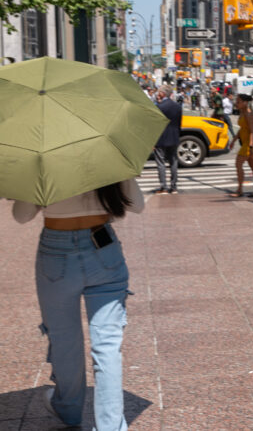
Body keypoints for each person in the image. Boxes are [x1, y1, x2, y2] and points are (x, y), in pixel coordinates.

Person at [12, 179, 144, 430]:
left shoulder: (44, 161)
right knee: (107, 346)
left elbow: (22, 215)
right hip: (104, 247)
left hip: (57, 250)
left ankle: (69, 408)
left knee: (65, 339)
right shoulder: (107, 154)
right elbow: (137, 205)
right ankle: (111, 426)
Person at [228, 93, 253, 198]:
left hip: (250, 142)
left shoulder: (248, 114)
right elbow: (242, 129)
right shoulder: (242, 113)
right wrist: (234, 140)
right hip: (246, 142)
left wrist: (251, 147)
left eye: (238, 101)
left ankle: (240, 190)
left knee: (238, 164)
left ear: (245, 102)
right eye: (236, 101)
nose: (236, 103)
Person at [153, 88, 182, 194]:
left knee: (160, 162)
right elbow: (179, 124)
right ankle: (174, 187)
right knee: (173, 162)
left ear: (163, 93)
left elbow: (155, 124)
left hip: (160, 137)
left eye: (159, 92)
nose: (157, 94)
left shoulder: (159, 107)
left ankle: (163, 186)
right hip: (174, 137)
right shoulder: (177, 107)